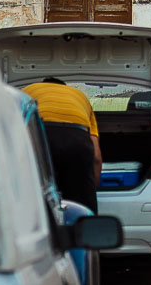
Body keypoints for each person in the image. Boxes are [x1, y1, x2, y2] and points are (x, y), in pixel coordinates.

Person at [23, 77, 102, 212]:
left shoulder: (27, 91)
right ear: (65, 87)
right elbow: (96, 157)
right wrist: (88, 191)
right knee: (81, 207)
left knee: (38, 197)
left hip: (42, 132)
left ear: (42, 85)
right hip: (77, 136)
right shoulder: (81, 97)